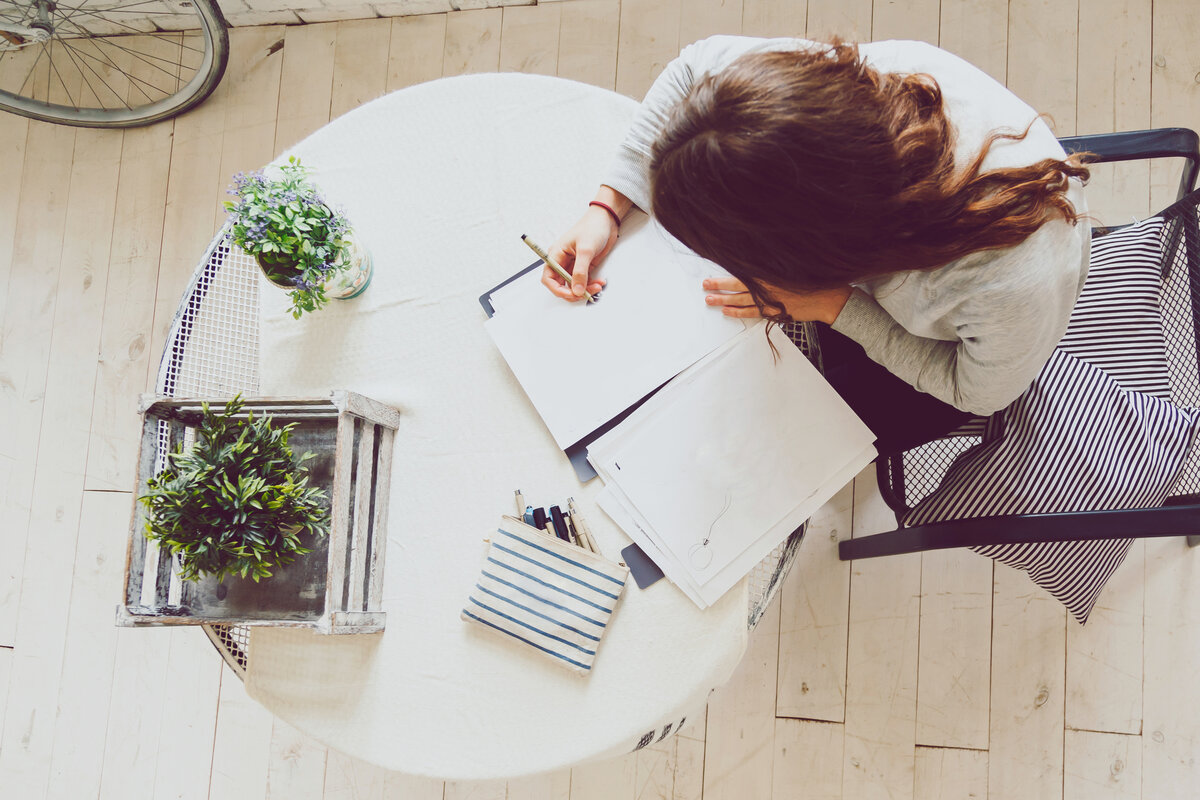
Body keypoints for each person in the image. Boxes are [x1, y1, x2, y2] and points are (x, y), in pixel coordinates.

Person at [541, 35, 1091, 456]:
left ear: (817, 254)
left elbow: (975, 392)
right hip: (865, 271)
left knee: (776, 438)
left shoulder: (1005, 282)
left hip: (938, 361)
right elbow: (695, 65)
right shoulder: (821, 101)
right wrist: (608, 203)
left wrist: (832, 306)